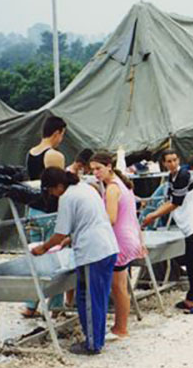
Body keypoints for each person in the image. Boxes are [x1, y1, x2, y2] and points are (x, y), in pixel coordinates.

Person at [32, 167, 119, 355]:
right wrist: (69, 239)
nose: (52, 194)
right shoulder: (85, 188)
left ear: (58, 186)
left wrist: (43, 248)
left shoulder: (67, 198)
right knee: (98, 297)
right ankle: (97, 338)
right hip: (107, 246)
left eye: (51, 190)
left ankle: (93, 344)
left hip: (93, 251)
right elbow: (86, 221)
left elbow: (59, 233)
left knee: (89, 298)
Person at [141, 149, 193, 314]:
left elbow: (175, 203)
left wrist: (152, 216)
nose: (172, 163)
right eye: (169, 161)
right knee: (191, 262)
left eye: (175, 160)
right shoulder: (172, 177)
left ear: (178, 160)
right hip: (188, 226)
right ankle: (192, 298)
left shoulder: (183, 176)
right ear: (164, 163)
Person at [90, 152, 146, 338]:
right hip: (128, 237)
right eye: (93, 170)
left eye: (98, 168)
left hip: (120, 241)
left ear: (109, 166)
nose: (96, 173)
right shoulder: (122, 184)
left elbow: (111, 219)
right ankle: (120, 326)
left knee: (119, 287)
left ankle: (120, 328)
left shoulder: (113, 188)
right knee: (121, 286)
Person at [22, 115, 68, 318]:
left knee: (36, 258)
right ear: (57, 132)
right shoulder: (54, 155)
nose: (61, 140)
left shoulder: (31, 153)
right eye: (62, 135)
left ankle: (30, 304)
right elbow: (61, 185)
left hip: (33, 211)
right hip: (51, 211)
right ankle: (55, 306)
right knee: (55, 259)